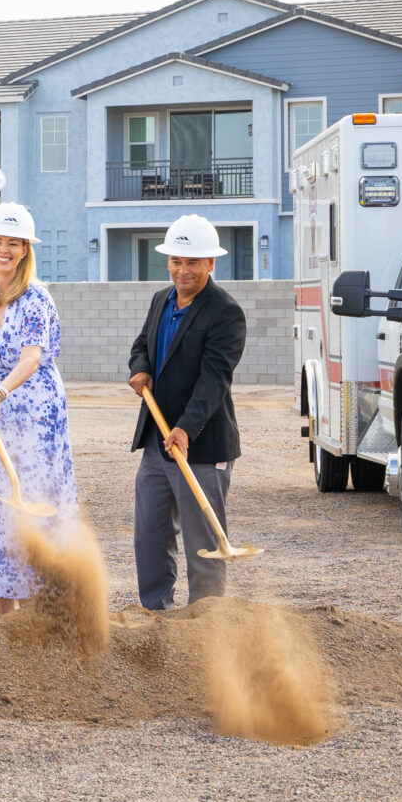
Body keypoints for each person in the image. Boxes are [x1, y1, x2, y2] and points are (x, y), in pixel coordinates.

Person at [0, 202, 79, 613]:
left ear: (25, 250)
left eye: (13, 243)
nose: (3, 250)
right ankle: (5, 615)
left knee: (36, 499)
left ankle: (45, 607)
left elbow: (30, 358)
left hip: (34, 406)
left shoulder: (37, 297)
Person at [127, 214, 247, 608]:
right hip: (156, 441)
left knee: (203, 542)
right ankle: (156, 613)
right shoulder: (161, 299)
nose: (183, 270)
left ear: (211, 263)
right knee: (150, 533)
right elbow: (141, 344)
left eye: (192, 262)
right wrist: (139, 368)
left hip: (202, 445)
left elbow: (215, 380)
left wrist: (185, 429)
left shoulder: (225, 313)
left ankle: (206, 626)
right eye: (177, 261)